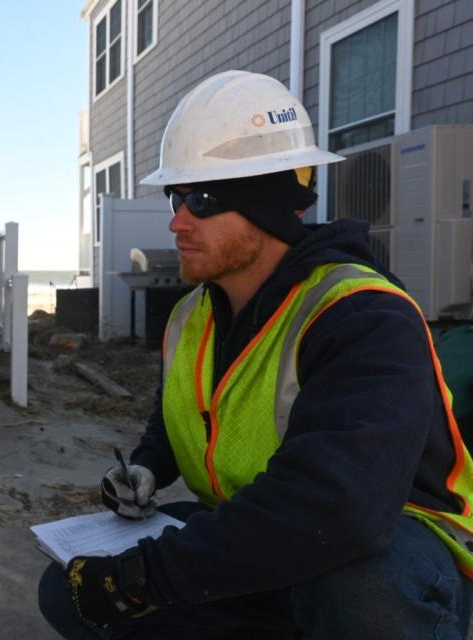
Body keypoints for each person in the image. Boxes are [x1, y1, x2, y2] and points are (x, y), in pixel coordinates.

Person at [38, 70, 473, 639]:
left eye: (201, 199)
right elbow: (183, 416)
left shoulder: (363, 315)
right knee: (65, 588)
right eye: (176, 196)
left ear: (266, 207)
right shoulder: (192, 314)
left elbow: (336, 508)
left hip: (383, 544)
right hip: (260, 531)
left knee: (358, 591)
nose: (176, 220)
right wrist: (146, 466)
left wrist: (143, 580)